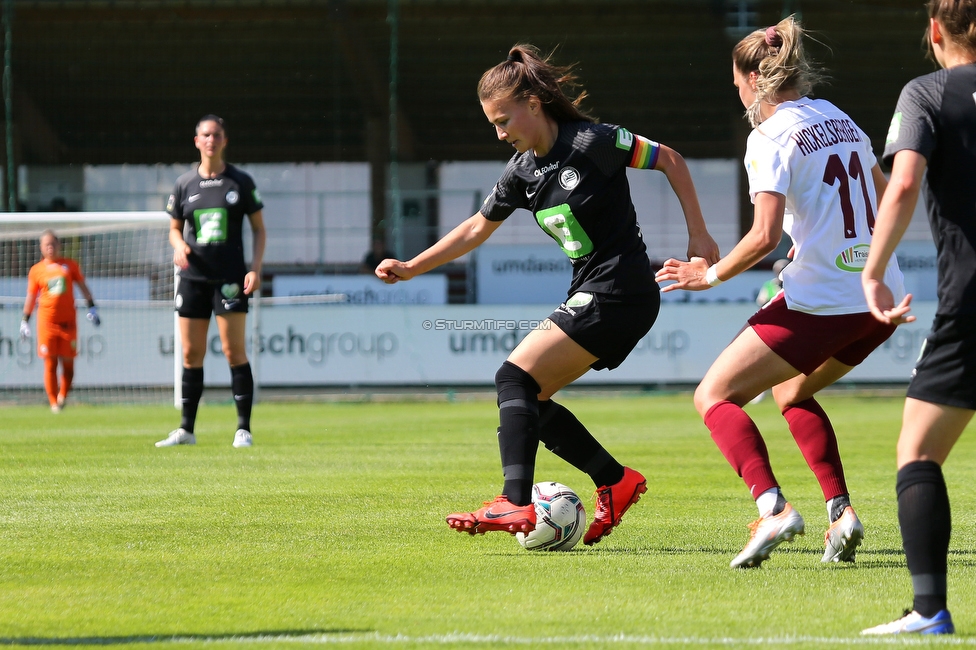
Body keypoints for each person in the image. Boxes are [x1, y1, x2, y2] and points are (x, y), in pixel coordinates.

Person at [377, 44, 719, 543]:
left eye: (503, 120)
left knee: (512, 378)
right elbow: (476, 228)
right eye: (492, 124)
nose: (500, 133)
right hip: (594, 288)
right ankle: (615, 481)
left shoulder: (594, 142)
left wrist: (699, 235)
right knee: (527, 399)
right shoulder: (521, 172)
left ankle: (514, 502)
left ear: (533, 105)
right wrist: (412, 267)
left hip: (621, 287)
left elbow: (670, 158)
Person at [655, 16, 906, 569]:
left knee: (714, 396)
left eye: (738, 81)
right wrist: (830, 243)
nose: (737, 91)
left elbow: (762, 236)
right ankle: (840, 514)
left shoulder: (766, 136)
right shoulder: (840, 119)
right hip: (880, 299)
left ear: (755, 79)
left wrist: (708, 276)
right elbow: (890, 201)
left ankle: (772, 508)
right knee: (791, 394)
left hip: (825, 302)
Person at [859, 0, 976, 636]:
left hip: (971, 301)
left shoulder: (926, 92)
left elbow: (901, 185)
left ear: (934, 31)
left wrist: (873, 271)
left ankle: (930, 610)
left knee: (919, 452)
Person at [156, 114, 266, 449]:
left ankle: (243, 428)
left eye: (216, 135)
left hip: (230, 278)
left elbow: (259, 229)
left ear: (224, 140)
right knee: (191, 353)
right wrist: (179, 247)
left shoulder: (240, 181)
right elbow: (174, 228)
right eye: (205, 135)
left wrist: (255, 268)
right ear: (196, 141)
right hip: (193, 279)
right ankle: (186, 430)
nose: (211, 140)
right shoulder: (184, 184)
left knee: (234, 350)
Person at [20, 230, 100, 412]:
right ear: (41, 247)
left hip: (68, 323)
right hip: (46, 323)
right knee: (50, 362)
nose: (50, 247)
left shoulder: (69, 265)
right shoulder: (36, 270)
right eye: (46, 244)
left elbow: (82, 286)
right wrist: (25, 320)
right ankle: (53, 402)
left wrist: (91, 306)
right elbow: (31, 296)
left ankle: (63, 395)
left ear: (59, 245)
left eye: (53, 243)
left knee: (68, 365)